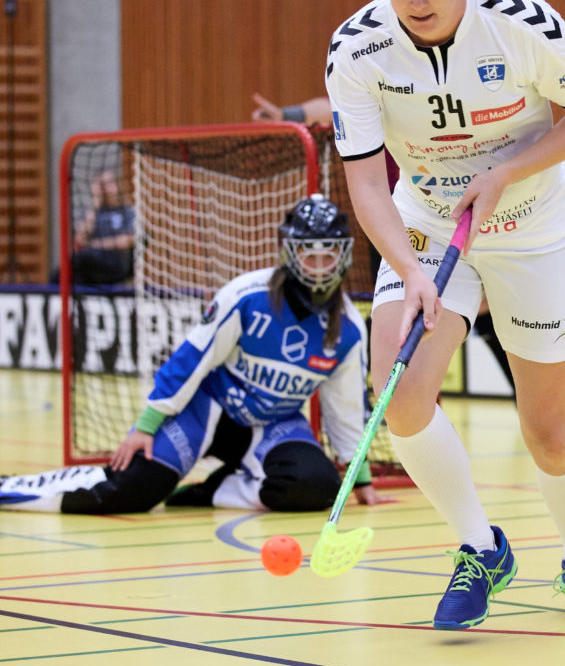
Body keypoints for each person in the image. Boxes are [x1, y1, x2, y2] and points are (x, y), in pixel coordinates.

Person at [324, 0, 565, 630]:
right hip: (428, 224)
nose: (416, 2)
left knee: (550, 433)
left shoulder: (522, 23)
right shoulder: (356, 48)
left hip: (532, 224)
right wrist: (410, 269)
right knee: (401, 394)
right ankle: (480, 547)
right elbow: (367, 183)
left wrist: (506, 172)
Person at [2, 195, 385, 514]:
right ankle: (10, 488)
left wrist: (362, 480)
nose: (318, 267)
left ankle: (209, 492)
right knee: (129, 491)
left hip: (273, 424)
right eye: (307, 255)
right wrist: (146, 426)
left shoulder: (349, 329)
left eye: (327, 255)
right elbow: (191, 358)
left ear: (343, 256)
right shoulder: (246, 297)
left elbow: (347, 409)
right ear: (289, 252)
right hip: (205, 411)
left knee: (316, 486)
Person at [251, 92, 517, 391]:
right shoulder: (378, 83)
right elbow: (337, 105)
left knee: (481, 306)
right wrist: (287, 115)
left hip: (455, 206)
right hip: (394, 218)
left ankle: (525, 399)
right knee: (399, 311)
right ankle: (341, 383)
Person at [54, 169, 136, 286]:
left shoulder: (127, 211)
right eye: (102, 186)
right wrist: (95, 205)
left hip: (118, 264)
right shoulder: (92, 213)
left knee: (80, 260)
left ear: (118, 186)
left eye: (109, 184)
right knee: (65, 271)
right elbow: (80, 239)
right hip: (93, 264)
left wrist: (95, 244)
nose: (106, 190)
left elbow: (127, 241)